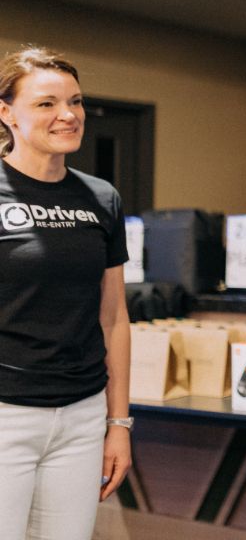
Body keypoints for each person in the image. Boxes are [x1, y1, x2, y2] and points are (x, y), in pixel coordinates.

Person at [0, 47, 132, 540]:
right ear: (6, 112)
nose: (68, 115)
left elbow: (115, 316)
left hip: (81, 415)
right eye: (46, 103)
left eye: (75, 102)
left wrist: (119, 423)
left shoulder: (101, 198)